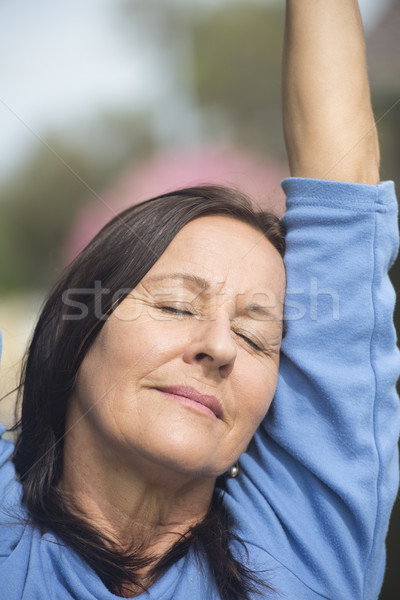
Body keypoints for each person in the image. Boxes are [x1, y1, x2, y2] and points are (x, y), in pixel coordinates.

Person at [0, 1, 399, 599]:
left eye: (256, 336)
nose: (219, 347)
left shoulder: (304, 553)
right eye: (177, 306)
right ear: (73, 332)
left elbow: (343, 193)